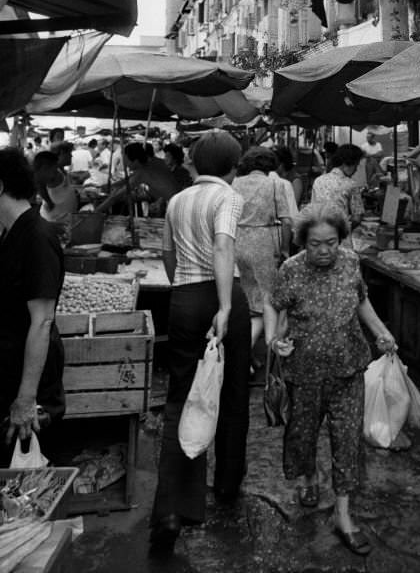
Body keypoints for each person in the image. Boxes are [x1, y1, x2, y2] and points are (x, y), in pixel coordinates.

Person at [268, 205, 396, 557]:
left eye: (332, 242)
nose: (325, 251)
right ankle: (308, 479)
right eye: (315, 244)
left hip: (348, 368)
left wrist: (382, 332)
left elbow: (362, 303)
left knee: (346, 440)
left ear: (341, 240)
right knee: (303, 433)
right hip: (304, 372)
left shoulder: (351, 262)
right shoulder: (290, 270)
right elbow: (277, 311)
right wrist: (276, 340)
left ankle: (343, 514)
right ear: (303, 243)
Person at [150, 131, 251, 553]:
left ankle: (172, 509)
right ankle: (226, 485)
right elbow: (224, 246)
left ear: (195, 161)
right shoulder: (227, 197)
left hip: (185, 299)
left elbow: (167, 252)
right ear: (232, 165)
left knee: (181, 399)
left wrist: (183, 291)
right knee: (230, 395)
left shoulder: (177, 200)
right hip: (221, 295)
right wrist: (225, 306)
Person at [0, 149, 65, 465]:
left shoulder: (37, 237)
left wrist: (26, 399)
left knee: (26, 485)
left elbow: (41, 321)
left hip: (27, 384)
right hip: (9, 370)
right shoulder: (12, 232)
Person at [232, 148, 293, 352]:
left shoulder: (236, 182)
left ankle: (244, 354)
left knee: (249, 297)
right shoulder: (274, 183)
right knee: (268, 298)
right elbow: (286, 221)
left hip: (237, 240)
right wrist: (285, 249)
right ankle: (267, 347)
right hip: (261, 242)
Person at [94, 143, 180, 216]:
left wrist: (95, 212)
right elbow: (128, 180)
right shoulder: (155, 162)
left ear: (135, 160)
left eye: (127, 162)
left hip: (173, 206)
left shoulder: (142, 173)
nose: (126, 165)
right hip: (174, 200)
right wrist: (110, 186)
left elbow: (115, 197)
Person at [311, 144, 364, 235]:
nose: (356, 169)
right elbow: (357, 218)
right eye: (356, 165)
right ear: (347, 163)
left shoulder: (318, 181)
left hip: (318, 234)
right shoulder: (351, 184)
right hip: (339, 237)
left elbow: (312, 210)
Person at [33, 151, 79, 237]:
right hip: (50, 224)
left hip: (56, 224)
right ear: (45, 168)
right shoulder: (31, 184)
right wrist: (49, 202)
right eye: (53, 169)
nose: (55, 171)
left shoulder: (57, 171)